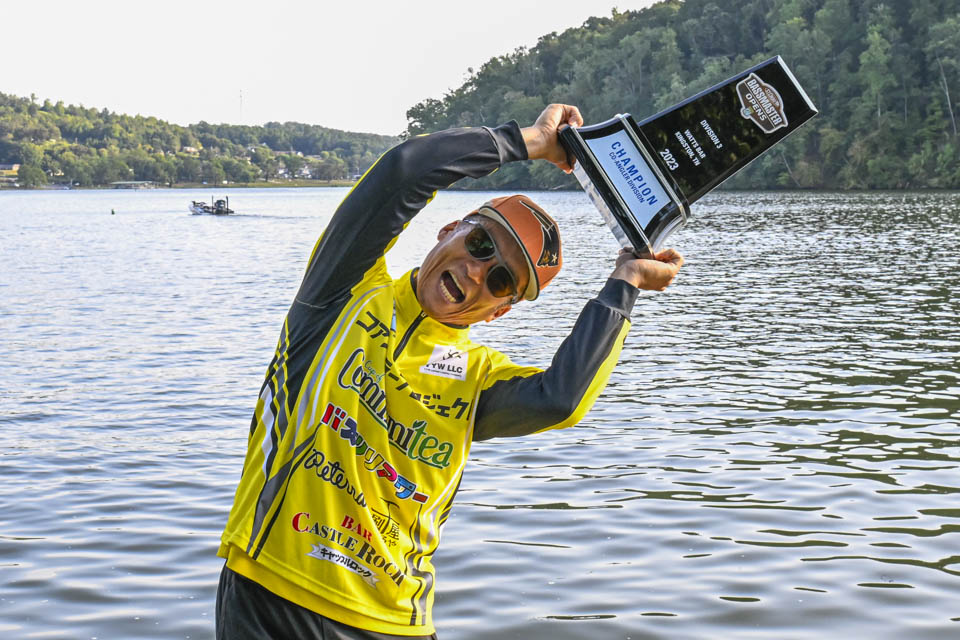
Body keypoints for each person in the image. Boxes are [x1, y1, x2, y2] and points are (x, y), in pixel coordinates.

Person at [216, 104, 684, 639]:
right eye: (480, 244)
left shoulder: (479, 379)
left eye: (502, 280)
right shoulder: (343, 289)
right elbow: (404, 173)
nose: (478, 271)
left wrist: (624, 282)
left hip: (392, 621)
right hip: (268, 592)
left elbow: (561, 399)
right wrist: (528, 141)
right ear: (448, 230)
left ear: (499, 311)